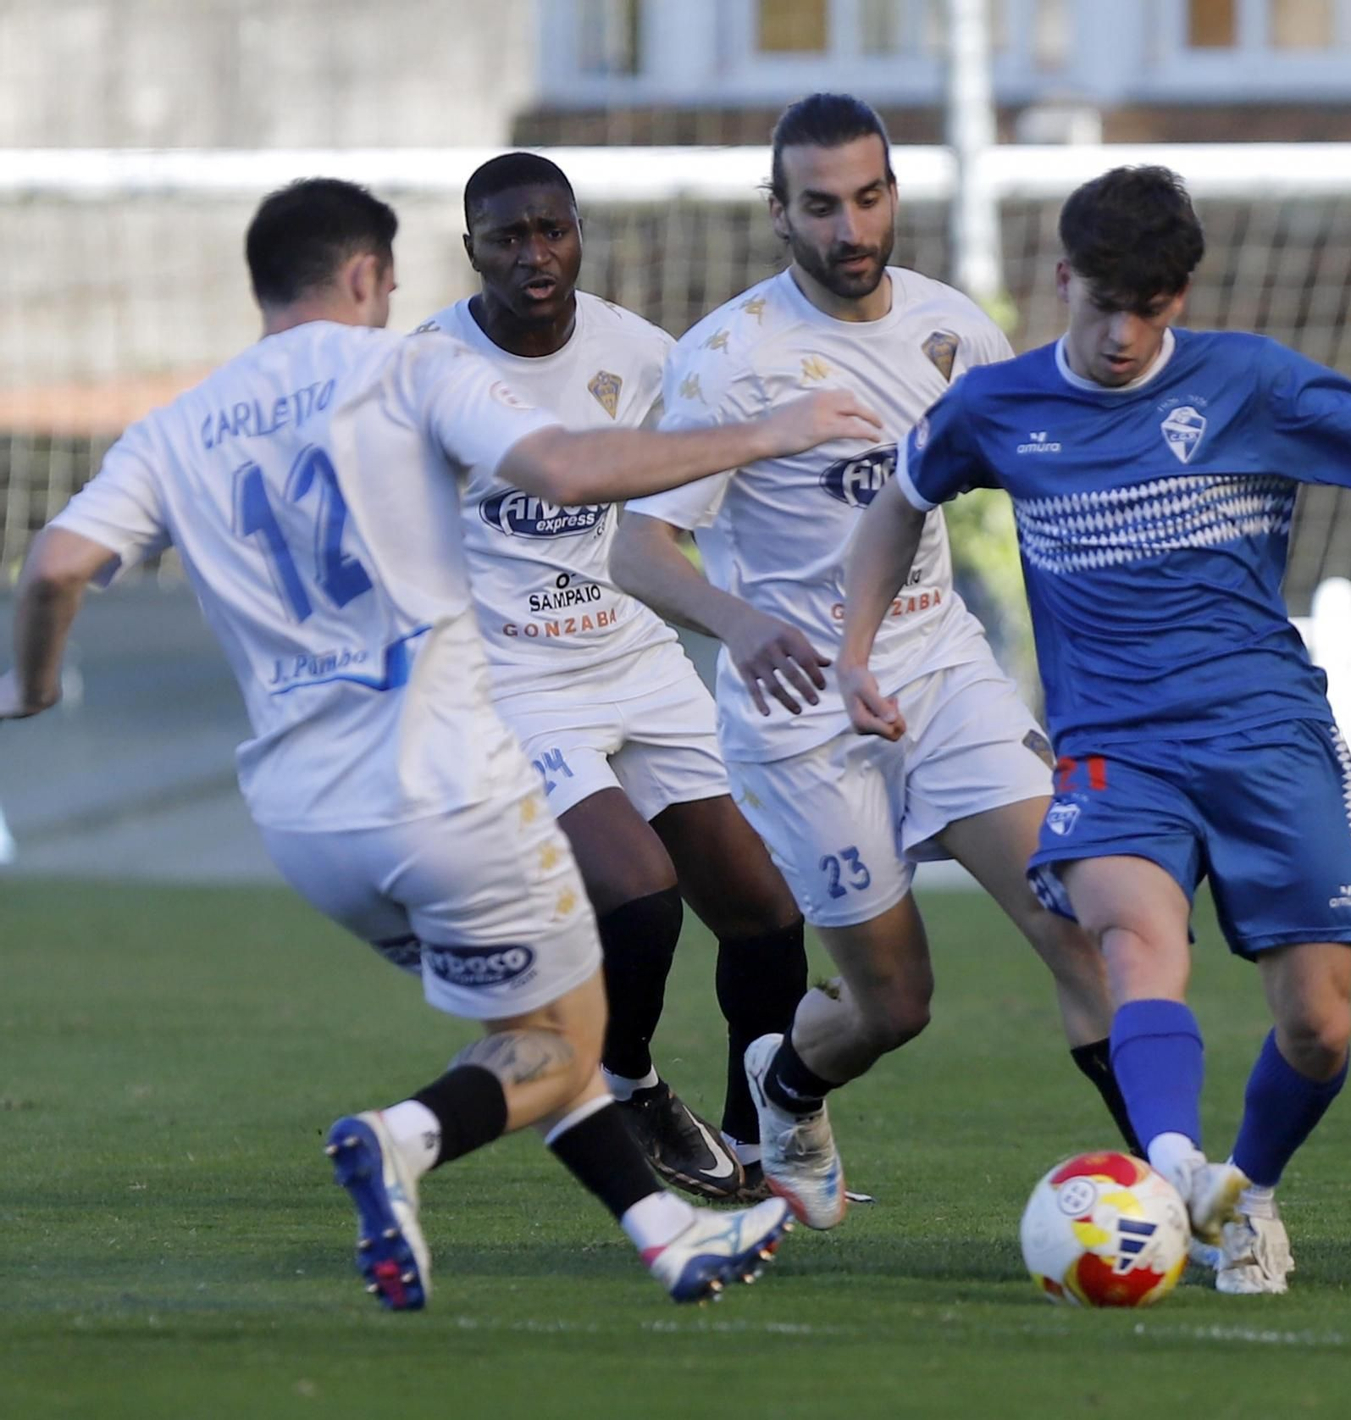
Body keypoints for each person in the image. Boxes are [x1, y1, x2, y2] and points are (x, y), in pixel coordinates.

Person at [0, 178, 882, 1308]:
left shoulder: (174, 427)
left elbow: (55, 566)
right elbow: (565, 467)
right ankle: (402, 1136)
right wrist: (775, 428)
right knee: (567, 1033)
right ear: (369, 273)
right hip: (442, 776)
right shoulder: (410, 369)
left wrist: (31, 688)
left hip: (304, 821)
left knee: (544, 1031)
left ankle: (672, 1235)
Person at [840, 164, 1351, 1293]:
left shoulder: (1247, 380)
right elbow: (900, 500)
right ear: (1065, 280)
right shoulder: (998, 409)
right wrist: (855, 651)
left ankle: (1249, 1192)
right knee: (1133, 945)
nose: (1121, 336)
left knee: (1318, 1027)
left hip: (1269, 739)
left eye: (1147, 311)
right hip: (1116, 749)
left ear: (1179, 298)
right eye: (1104, 305)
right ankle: (1176, 1172)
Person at [611, 93, 1135, 1233]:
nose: (849, 230)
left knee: (1086, 933)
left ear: (894, 193)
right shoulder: (727, 360)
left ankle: (1177, 1187)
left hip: (941, 672)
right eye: (820, 207)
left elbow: (1039, 489)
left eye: (867, 198)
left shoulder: (954, 330)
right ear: (777, 212)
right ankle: (790, 1083)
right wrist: (740, 625)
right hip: (801, 714)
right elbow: (638, 549)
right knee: (895, 1004)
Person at [417, 151, 810, 1201]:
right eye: (507, 237)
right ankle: (628, 1083)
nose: (534, 255)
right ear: (472, 250)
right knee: (640, 896)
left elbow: (692, 503)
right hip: (513, 682)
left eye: (551, 230)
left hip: (636, 657)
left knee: (767, 911)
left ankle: (758, 1157)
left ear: (578, 233)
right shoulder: (425, 372)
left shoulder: (641, 356)